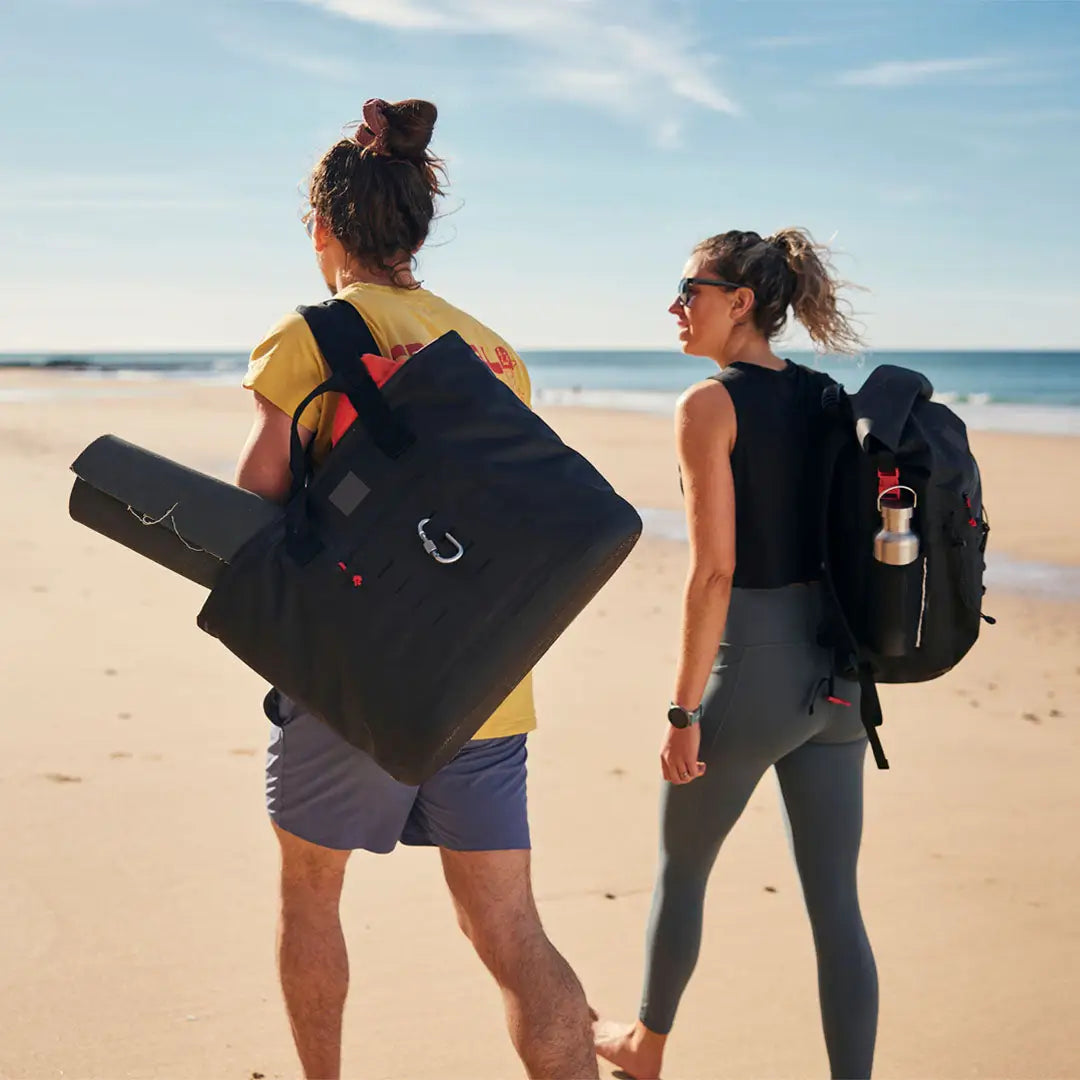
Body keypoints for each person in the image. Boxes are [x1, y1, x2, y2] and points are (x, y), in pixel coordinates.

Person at [234, 98, 598, 1080]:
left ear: (324, 229)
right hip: (483, 676)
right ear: (418, 227)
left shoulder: (313, 333)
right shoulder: (496, 351)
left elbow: (256, 499)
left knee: (311, 899)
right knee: (511, 930)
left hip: (351, 674)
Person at [594, 228, 878, 1079]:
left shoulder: (708, 405)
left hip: (752, 668)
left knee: (682, 869)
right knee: (837, 905)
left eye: (690, 290)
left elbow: (714, 572)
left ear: (741, 302)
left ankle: (645, 1048)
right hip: (839, 679)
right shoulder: (829, 397)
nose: (676, 307)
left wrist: (684, 713)